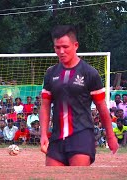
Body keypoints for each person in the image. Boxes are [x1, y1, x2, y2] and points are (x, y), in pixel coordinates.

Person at [40, 25, 118, 166]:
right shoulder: (51, 73)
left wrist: (111, 136)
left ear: (75, 45)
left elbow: (102, 107)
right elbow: (45, 106)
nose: (61, 51)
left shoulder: (90, 73)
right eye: (57, 47)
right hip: (56, 138)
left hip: (81, 135)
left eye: (65, 47)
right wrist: (44, 134)